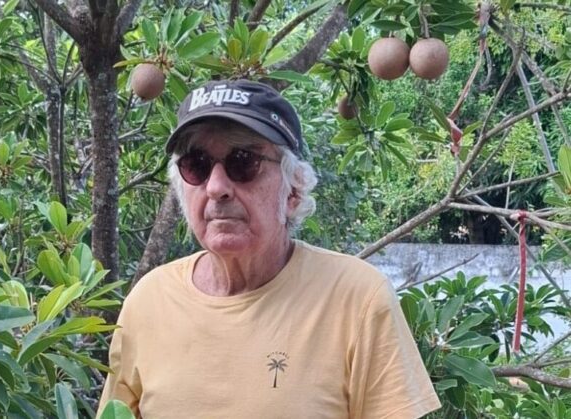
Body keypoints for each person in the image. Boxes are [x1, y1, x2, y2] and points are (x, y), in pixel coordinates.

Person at [98, 79, 441, 418]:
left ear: (293, 191)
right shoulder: (148, 302)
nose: (216, 187)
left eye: (243, 161)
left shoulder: (357, 298)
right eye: (196, 165)